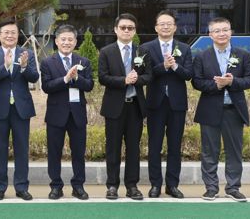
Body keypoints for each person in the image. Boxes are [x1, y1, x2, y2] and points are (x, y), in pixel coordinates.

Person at [192, 17, 250, 202]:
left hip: (234, 110)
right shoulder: (201, 56)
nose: (222, 33)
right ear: (210, 34)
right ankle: (211, 188)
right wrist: (218, 85)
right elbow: (196, 82)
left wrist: (232, 82)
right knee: (209, 151)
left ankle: (233, 187)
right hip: (209, 109)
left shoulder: (243, 54)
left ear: (231, 32)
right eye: (217, 31)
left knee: (234, 151)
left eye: (225, 30)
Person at [0, 20, 39, 201]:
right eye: (6, 32)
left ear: (17, 35)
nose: (9, 36)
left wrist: (23, 66)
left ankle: (22, 187)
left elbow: (34, 77)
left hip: (21, 108)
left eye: (13, 32)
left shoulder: (27, 53)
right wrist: (5, 66)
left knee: (22, 148)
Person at [98, 13, 152, 200]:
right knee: (113, 148)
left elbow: (149, 76)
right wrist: (124, 80)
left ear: (135, 31)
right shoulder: (106, 51)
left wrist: (136, 80)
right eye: (123, 27)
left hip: (135, 107)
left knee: (133, 149)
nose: (127, 30)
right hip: (114, 108)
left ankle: (132, 186)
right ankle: (112, 185)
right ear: (115, 30)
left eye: (130, 28)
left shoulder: (142, 52)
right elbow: (102, 77)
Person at [139, 10, 192, 199]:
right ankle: (155, 185)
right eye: (162, 24)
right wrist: (164, 66)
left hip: (177, 104)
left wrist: (175, 66)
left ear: (175, 27)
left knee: (174, 146)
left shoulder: (184, 48)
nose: (166, 26)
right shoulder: (146, 47)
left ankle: (172, 185)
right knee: (154, 145)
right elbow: (145, 74)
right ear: (156, 27)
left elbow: (189, 74)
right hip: (155, 103)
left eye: (169, 23)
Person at [40, 24, 94, 200]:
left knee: (79, 153)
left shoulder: (83, 62)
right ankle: (56, 186)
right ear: (56, 41)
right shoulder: (48, 62)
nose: (66, 42)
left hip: (77, 115)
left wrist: (76, 78)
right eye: (63, 39)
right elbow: (46, 87)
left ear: (75, 42)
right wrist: (65, 79)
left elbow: (89, 85)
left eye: (70, 39)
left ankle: (78, 185)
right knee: (54, 152)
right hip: (56, 115)